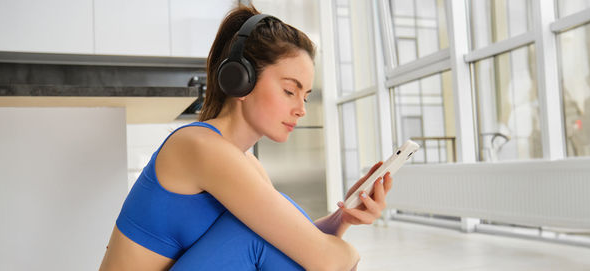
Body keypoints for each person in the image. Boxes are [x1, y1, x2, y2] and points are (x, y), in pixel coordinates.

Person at [99, 5, 393, 271]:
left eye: (305, 96)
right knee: (256, 234)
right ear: (241, 79)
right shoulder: (199, 146)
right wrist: (345, 255)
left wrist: (340, 220)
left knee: (273, 233)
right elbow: (324, 260)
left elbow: (287, 246)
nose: (301, 109)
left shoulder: (246, 164)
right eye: (290, 91)